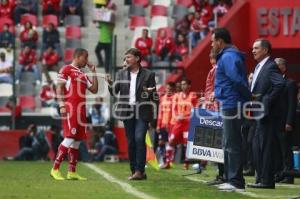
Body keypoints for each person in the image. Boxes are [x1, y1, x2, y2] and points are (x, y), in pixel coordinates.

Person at [105, 48, 158, 180]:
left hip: (143, 112)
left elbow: (155, 97)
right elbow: (115, 92)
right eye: (126, 57)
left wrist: (155, 115)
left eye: (129, 57)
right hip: (127, 111)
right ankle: (135, 170)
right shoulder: (121, 74)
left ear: (137, 59)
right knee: (131, 142)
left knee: (139, 138)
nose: (126, 60)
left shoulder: (149, 74)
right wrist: (110, 83)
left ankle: (139, 171)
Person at [50, 48, 98, 180]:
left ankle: (72, 171)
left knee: (77, 141)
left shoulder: (83, 74)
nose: (86, 61)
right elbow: (59, 87)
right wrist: (61, 104)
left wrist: (94, 73)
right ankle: (55, 168)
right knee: (70, 136)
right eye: (85, 57)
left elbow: (94, 89)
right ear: (77, 56)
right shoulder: (66, 69)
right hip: (71, 108)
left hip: (81, 110)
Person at [212, 27, 251, 191]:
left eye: (213, 42)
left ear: (220, 41)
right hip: (229, 102)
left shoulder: (228, 56)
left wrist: (248, 95)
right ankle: (231, 178)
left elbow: (236, 79)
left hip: (232, 103)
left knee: (232, 142)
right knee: (228, 142)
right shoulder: (227, 56)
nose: (212, 45)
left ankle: (236, 181)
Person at [247, 39, 285, 189]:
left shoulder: (270, 66)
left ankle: (267, 181)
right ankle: (261, 177)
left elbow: (280, 84)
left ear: (265, 50)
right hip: (257, 114)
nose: (253, 51)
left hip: (267, 115)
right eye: (253, 48)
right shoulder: (259, 66)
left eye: (256, 48)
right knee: (256, 146)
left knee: (266, 147)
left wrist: (265, 100)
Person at [162, 79, 199, 170]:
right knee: (171, 141)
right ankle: (168, 162)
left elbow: (196, 109)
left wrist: (187, 117)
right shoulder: (177, 96)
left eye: (185, 84)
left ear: (189, 86)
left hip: (188, 123)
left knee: (187, 143)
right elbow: (174, 109)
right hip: (178, 123)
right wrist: (177, 116)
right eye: (182, 84)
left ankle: (186, 164)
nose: (183, 86)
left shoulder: (192, 95)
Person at [274, 58, 298, 184]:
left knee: (286, 150)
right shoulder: (273, 82)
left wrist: (289, 122)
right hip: (274, 122)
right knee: (277, 150)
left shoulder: (290, 83)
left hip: (284, 122)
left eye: (276, 65)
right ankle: (279, 174)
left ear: (283, 67)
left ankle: (289, 175)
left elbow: (292, 105)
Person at [156, 82, 175, 167]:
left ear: (173, 90)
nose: (169, 90)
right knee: (161, 143)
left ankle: (167, 161)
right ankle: (164, 160)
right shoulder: (162, 98)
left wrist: (171, 123)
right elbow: (160, 113)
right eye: (167, 89)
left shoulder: (175, 98)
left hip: (171, 125)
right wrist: (158, 125)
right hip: (163, 124)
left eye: (170, 89)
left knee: (169, 143)